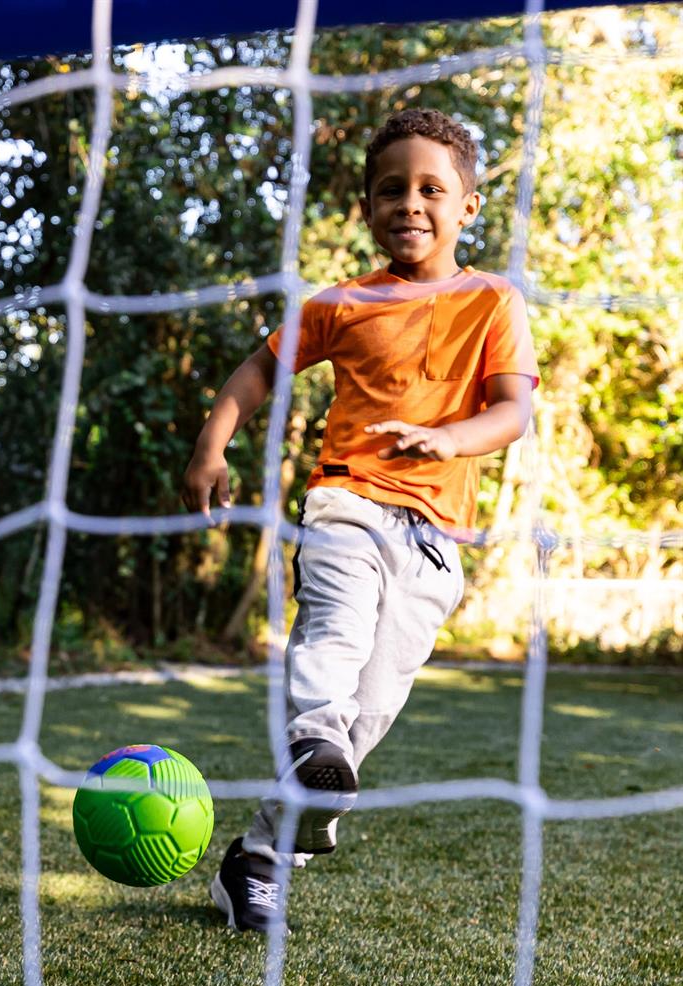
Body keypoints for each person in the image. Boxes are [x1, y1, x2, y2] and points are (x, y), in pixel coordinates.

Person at [180, 108, 539, 933]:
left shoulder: (493, 300)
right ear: (367, 208)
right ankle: (308, 742)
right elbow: (257, 371)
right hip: (346, 502)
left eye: (430, 189)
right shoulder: (342, 302)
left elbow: (511, 412)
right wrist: (212, 442)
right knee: (334, 638)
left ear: (468, 207)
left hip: (437, 539)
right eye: (390, 190)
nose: (409, 203)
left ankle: (258, 860)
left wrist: (449, 436)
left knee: (371, 709)